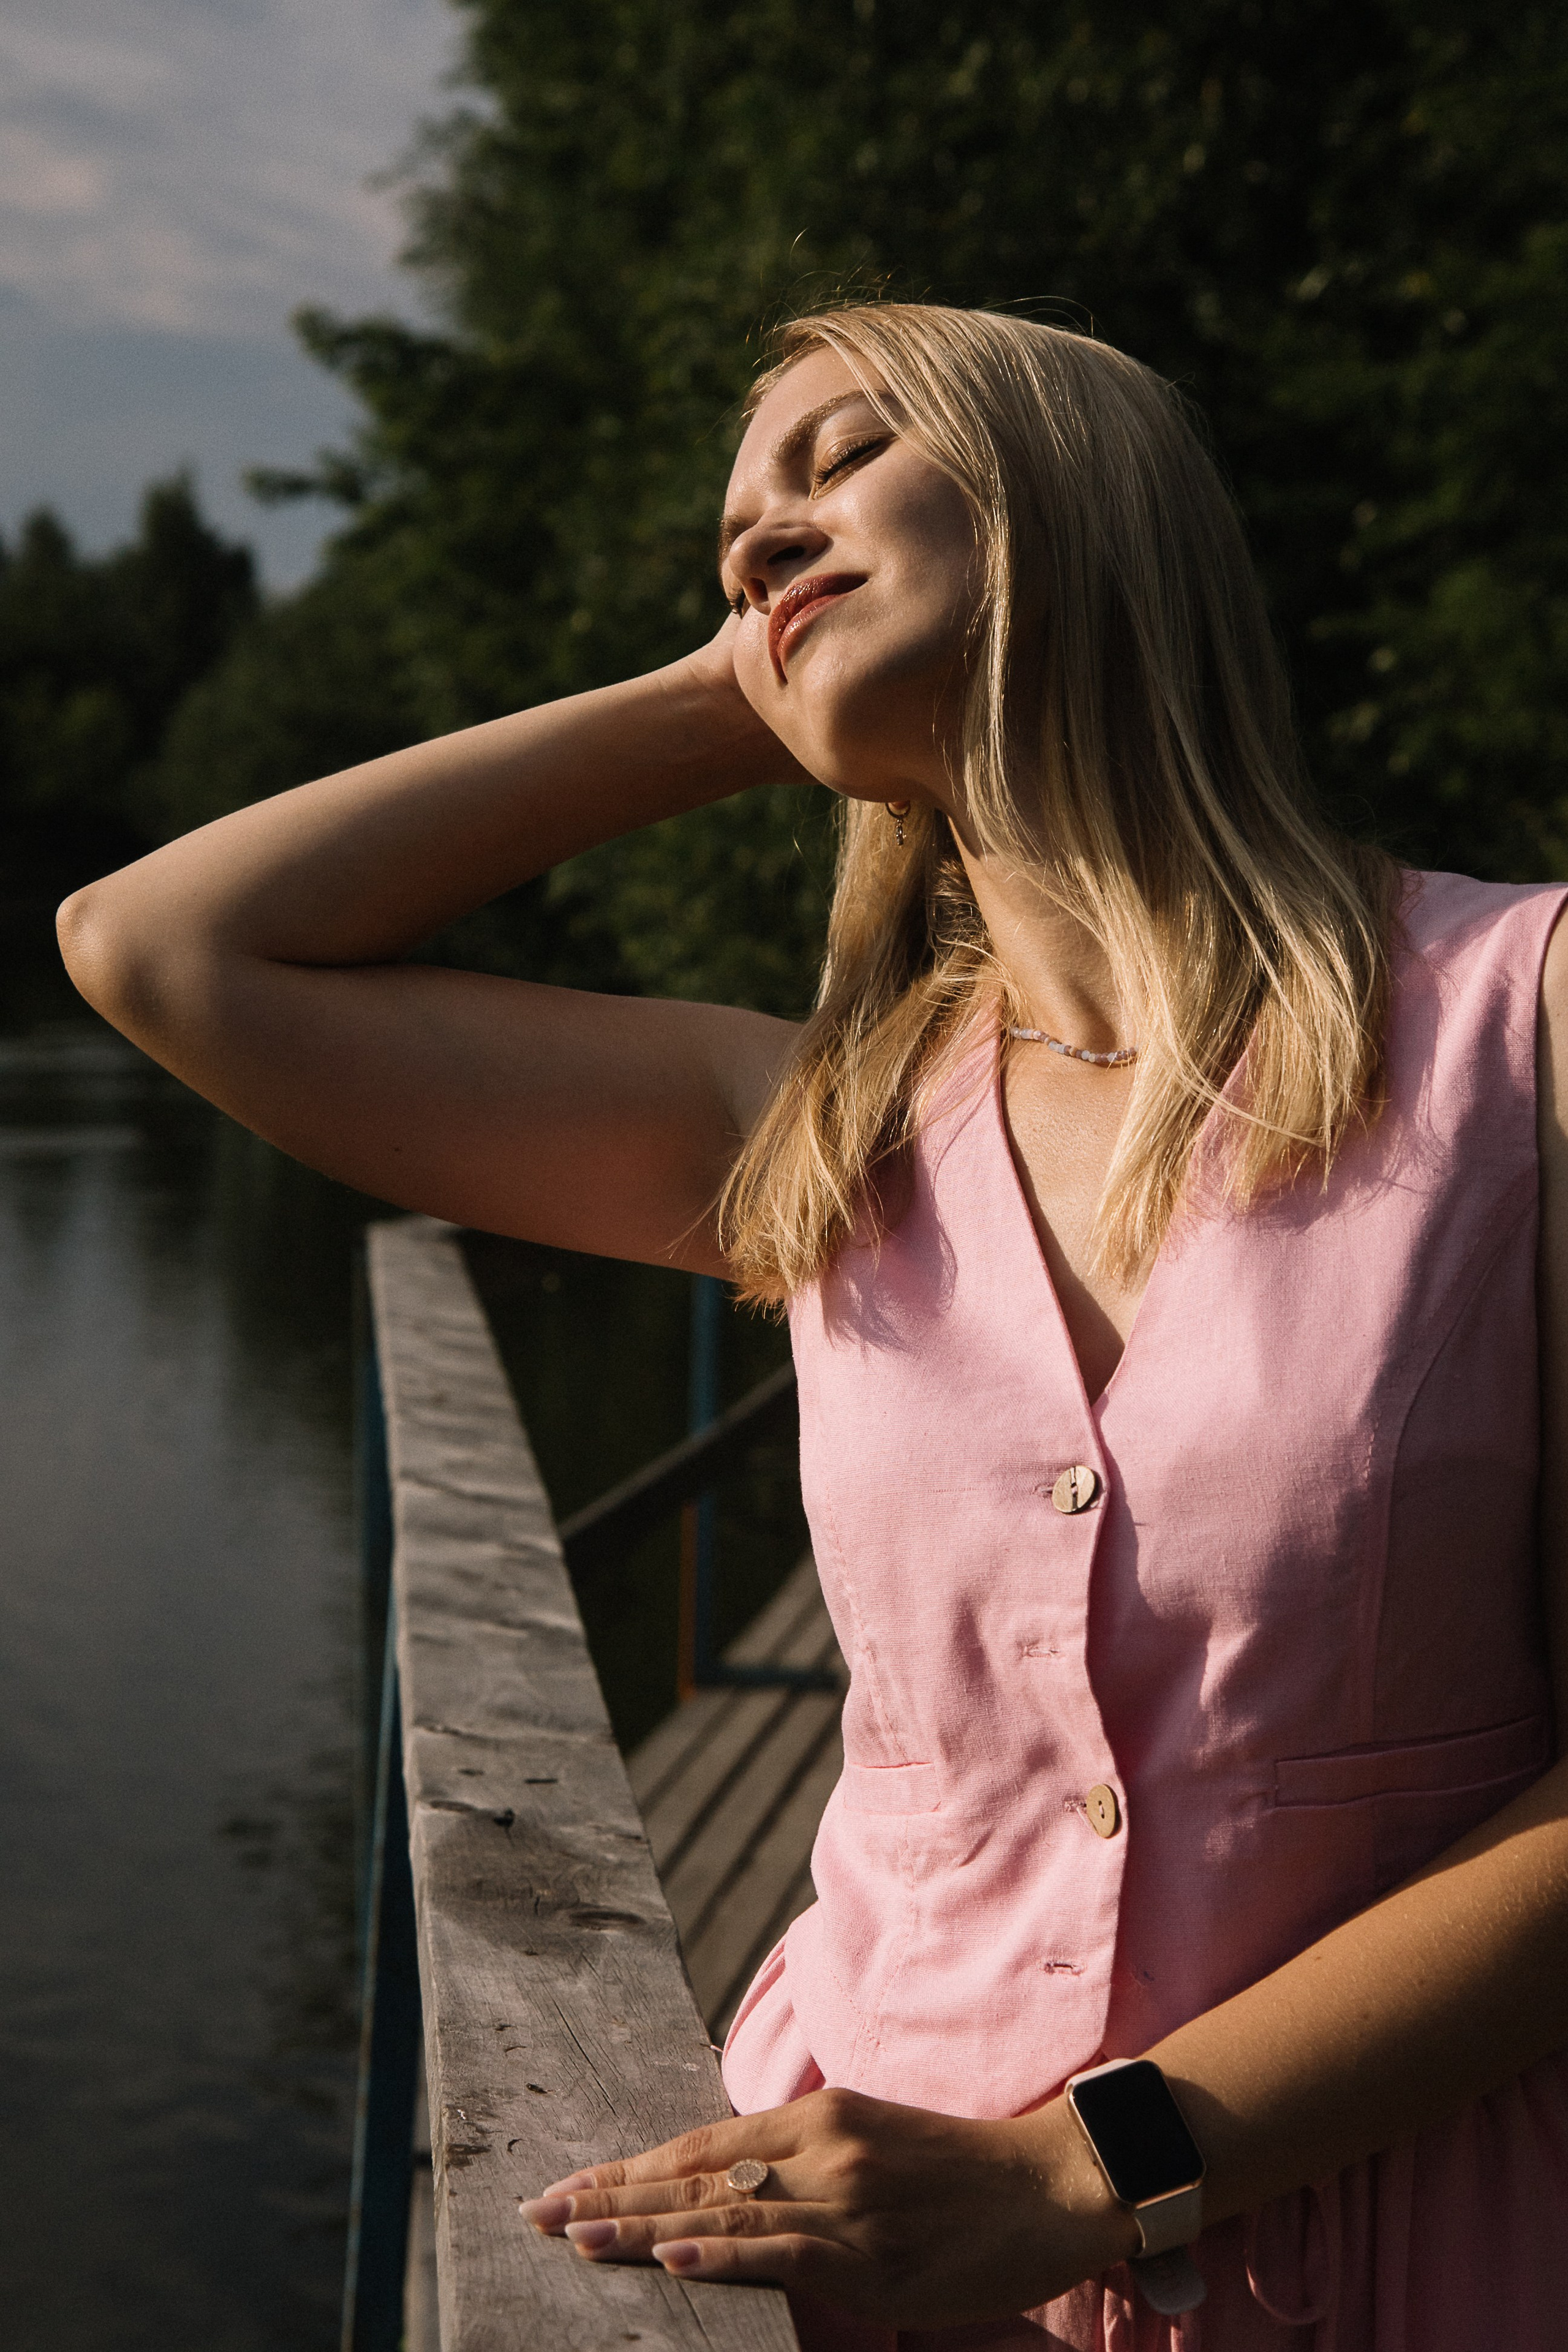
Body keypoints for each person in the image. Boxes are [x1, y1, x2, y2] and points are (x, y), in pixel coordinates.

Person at [58, 303, 1568, 2351]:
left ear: (1071, 496)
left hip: (1403, 2235)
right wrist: (727, 686)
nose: (761, 537)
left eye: (841, 462)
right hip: (843, 2256)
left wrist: (1080, 2176)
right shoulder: (818, 1130)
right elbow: (159, 946)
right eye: (734, 531)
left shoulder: (1524, 1029)